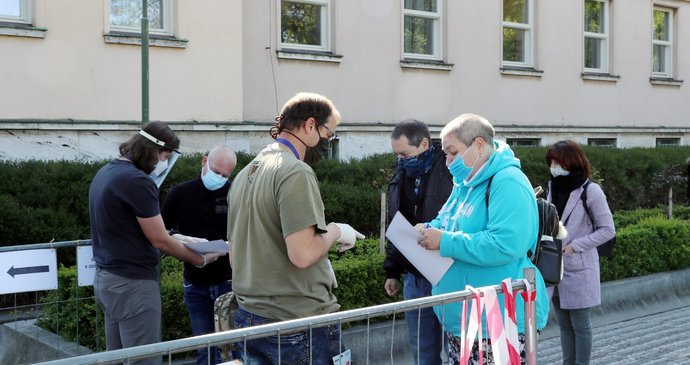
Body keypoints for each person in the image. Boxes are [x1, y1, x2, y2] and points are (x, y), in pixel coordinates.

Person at [227, 92, 365, 365]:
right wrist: (335, 231)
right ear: (310, 125)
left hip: (250, 316)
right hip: (296, 322)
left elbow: (235, 255)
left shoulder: (245, 174)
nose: (328, 143)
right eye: (329, 135)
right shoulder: (295, 172)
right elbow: (302, 255)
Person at [415, 113, 549, 365]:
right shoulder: (464, 183)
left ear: (478, 144)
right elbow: (447, 222)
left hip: (498, 318)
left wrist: (444, 241)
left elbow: (505, 244)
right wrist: (428, 229)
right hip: (466, 317)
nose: (447, 161)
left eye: (453, 153)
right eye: (446, 154)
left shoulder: (508, 182)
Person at [88, 122, 225, 365]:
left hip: (107, 280)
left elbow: (133, 227)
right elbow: (158, 240)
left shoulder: (107, 172)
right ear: (152, 150)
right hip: (133, 285)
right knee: (144, 360)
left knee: (116, 357)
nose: (164, 163)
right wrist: (200, 258)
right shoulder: (138, 181)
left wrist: (176, 236)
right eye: (165, 156)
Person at [384, 119, 452, 365]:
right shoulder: (402, 172)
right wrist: (392, 270)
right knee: (423, 354)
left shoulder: (450, 168)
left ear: (424, 144)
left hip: (448, 273)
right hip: (414, 277)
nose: (400, 160)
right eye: (397, 155)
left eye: (405, 154)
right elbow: (396, 223)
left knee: (456, 349)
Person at [161, 146, 237, 365]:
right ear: (204, 162)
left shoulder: (234, 193)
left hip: (229, 281)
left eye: (225, 175)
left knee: (234, 348)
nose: (220, 178)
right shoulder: (179, 193)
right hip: (195, 284)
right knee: (205, 349)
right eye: (216, 171)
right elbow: (161, 233)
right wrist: (182, 240)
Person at [546, 140, 615, 365]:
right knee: (564, 325)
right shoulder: (552, 187)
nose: (554, 166)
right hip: (555, 267)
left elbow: (607, 230)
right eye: (551, 162)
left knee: (581, 326)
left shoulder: (590, 190)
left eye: (557, 161)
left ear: (571, 161)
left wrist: (576, 246)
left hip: (579, 267)